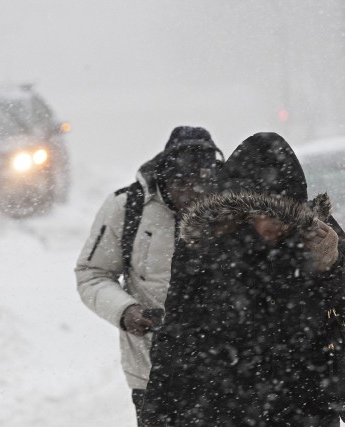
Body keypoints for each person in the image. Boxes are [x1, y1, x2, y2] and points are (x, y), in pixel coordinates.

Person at [140, 132, 345, 427]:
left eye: (287, 215)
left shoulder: (316, 233)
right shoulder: (203, 245)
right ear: (244, 210)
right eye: (268, 214)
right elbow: (176, 333)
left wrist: (330, 265)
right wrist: (157, 415)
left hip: (306, 403)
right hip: (223, 404)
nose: (278, 225)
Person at [74, 126, 223, 427]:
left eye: (202, 182)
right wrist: (126, 311)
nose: (192, 191)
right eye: (182, 182)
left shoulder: (235, 211)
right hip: (151, 372)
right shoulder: (127, 207)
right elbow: (92, 274)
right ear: (164, 177)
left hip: (226, 371)